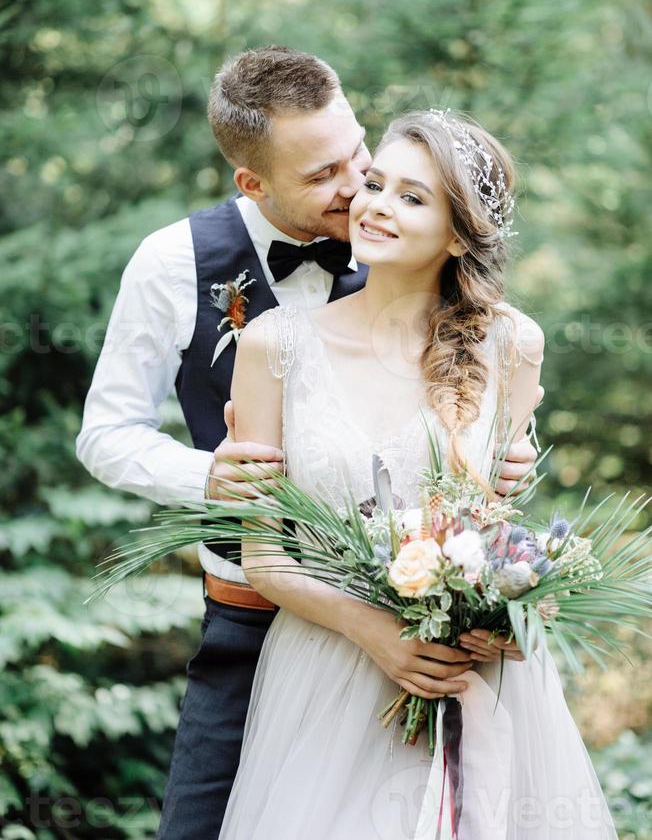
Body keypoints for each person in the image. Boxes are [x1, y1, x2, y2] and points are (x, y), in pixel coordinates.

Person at [75, 47, 542, 839]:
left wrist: (512, 458)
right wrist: (215, 476)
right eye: (324, 174)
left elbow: (480, 395)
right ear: (252, 184)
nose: (358, 186)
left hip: (425, 624)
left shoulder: (405, 238)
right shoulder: (174, 263)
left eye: (356, 152)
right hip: (255, 612)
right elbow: (105, 433)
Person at [218, 108, 616, 838]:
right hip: (331, 669)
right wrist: (377, 633)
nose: (375, 206)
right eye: (375, 183)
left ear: (460, 232)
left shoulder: (510, 344)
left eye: (412, 196)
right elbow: (264, 555)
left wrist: (503, 614)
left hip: (473, 675)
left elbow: (499, 529)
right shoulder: (274, 346)